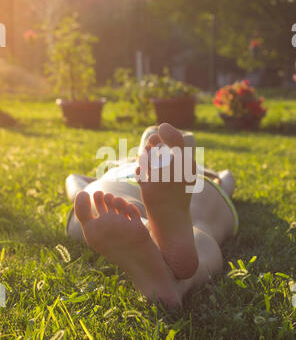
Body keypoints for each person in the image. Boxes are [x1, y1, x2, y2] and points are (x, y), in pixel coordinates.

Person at [66, 123, 238, 309]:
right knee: (199, 226)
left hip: (122, 181)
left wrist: (79, 188)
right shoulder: (203, 172)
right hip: (200, 187)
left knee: (98, 199)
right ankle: (177, 280)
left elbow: (74, 179)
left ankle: (145, 229)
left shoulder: (120, 165)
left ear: (141, 148)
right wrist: (220, 178)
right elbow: (228, 180)